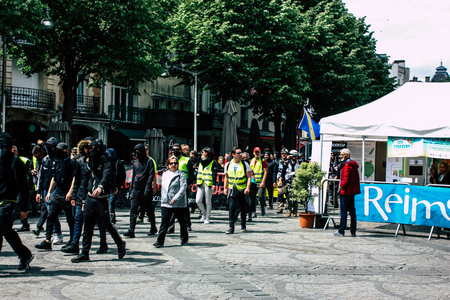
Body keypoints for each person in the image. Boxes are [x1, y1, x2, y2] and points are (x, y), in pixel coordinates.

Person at [71, 139, 126, 263]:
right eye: (91, 148)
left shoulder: (105, 161)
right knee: (88, 225)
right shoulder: (85, 162)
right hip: (89, 197)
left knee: (107, 224)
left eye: (96, 148)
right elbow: (80, 181)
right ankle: (85, 252)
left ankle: (119, 243)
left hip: (101, 199)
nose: (93, 151)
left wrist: (101, 187)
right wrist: (79, 198)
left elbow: (107, 176)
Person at [0, 132, 34, 270]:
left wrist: (24, 208)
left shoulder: (16, 161)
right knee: (6, 230)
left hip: (9, 201)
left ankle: (25, 255)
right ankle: (25, 254)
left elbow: (24, 187)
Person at [35, 143, 76, 250]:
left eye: (60, 150)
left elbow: (74, 178)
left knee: (70, 219)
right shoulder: (57, 162)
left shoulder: (72, 163)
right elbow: (54, 178)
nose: (58, 151)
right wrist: (49, 192)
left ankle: (72, 240)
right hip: (57, 194)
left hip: (67, 195)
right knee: (50, 216)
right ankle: (48, 240)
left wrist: (70, 192)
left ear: (66, 150)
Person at [153, 156, 188, 247]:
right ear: (168, 165)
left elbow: (183, 188)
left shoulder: (181, 174)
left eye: (175, 163)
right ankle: (160, 241)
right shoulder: (165, 174)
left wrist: (175, 198)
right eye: (171, 163)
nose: (173, 165)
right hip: (166, 203)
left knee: (182, 222)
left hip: (178, 203)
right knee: (164, 222)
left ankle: (184, 238)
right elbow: (164, 188)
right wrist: (163, 199)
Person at [124, 143, 156, 238]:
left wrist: (148, 187)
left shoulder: (149, 162)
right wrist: (131, 189)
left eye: (139, 152)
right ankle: (131, 230)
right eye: (136, 152)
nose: (137, 154)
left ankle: (153, 227)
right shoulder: (135, 163)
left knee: (149, 210)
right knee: (133, 209)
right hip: (136, 189)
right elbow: (134, 176)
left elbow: (151, 175)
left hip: (145, 189)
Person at [224, 148, 252, 234]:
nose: (240, 154)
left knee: (242, 208)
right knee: (231, 208)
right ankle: (231, 227)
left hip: (242, 190)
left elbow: (249, 177)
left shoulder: (244, 164)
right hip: (232, 189)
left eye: (241, 153)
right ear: (233, 154)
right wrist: (225, 188)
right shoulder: (228, 164)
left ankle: (243, 224)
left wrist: (247, 188)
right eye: (238, 153)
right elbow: (226, 177)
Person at [167, 143, 194, 232]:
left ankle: (187, 225)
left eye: (177, 149)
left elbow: (191, 174)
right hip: (173, 186)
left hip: (183, 186)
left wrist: (188, 184)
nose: (175, 151)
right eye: (174, 149)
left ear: (180, 150)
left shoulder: (186, 160)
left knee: (184, 207)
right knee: (171, 206)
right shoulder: (171, 160)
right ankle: (171, 227)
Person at [333, 149, 360, 237]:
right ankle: (353, 230)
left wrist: (340, 187)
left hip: (346, 191)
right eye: (340, 155)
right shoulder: (351, 165)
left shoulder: (347, 165)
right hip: (351, 191)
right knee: (352, 212)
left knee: (344, 212)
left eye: (342, 155)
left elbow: (345, 179)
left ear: (347, 155)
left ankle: (341, 230)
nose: (340, 156)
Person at [11, 145, 33, 232]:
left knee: (17, 206)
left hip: (23, 187)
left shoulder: (22, 161)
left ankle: (8, 223)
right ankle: (25, 224)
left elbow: (30, 175)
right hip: (14, 187)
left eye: (13, 152)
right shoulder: (8, 160)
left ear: (17, 152)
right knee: (18, 207)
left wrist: (30, 186)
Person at [196, 147, 219, 224]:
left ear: (206, 153)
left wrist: (214, 184)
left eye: (202, 152)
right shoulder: (200, 161)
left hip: (208, 183)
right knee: (198, 200)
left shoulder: (212, 162)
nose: (201, 153)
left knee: (207, 201)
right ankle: (204, 213)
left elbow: (214, 174)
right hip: (200, 182)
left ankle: (207, 217)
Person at [105, 148, 125, 224]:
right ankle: (109, 218)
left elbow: (123, 175)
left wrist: (120, 184)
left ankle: (111, 219)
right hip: (107, 186)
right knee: (108, 203)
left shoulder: (118, 163)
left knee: (111, 202)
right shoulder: (106, 162)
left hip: (115, 186)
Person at [249, 147, 268, 217]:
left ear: (260, 153)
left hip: (260, 181)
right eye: (256, 152)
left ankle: (262, 206)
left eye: (258, 152)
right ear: (253, 153)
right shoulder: (251, 161)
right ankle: (253, 211)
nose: (257, 153)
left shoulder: (263, 161)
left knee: (260, 196)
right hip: (253, 181)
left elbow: (265, 172)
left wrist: (263, 182)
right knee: (253, 197)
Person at [285, 151, 300, 217]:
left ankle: (295, 211)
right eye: (294, 156)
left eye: (296, 156)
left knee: (296, 198)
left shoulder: (299, 163)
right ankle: (289, 210)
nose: (296, 157)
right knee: (289, 197)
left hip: (296, 182)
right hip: (289, 181)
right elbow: (283, 172)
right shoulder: (287, 163)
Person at [276, 149, 289, 213]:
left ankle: (288, 206)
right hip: (280, 179)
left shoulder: (289, 161)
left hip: (288, 179)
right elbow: (275, 170)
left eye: (285, 153)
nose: (284, 155)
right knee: (280, 193)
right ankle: (280, 207)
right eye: (282, 153)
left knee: (288, 193)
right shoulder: (278, 161)